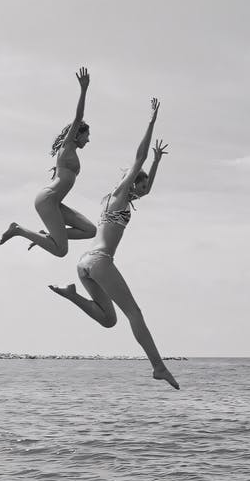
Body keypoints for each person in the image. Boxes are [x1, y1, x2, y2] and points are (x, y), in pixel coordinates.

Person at [50, 98, 179, 390]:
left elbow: (146, 186)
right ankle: (158, 367)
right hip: (100, 261)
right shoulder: (120, 195)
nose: (142, 192)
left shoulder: (117, 201)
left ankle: (71, 295)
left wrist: (158, 163)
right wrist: (151, 122)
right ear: (132, 182)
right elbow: (139, 158)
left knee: (109, 320)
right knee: (135, 313)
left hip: (85, 263)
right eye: (140, 185)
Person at [0, 68, 96, 257]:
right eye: (87, 136)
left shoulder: (71, 151)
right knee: (61, 251)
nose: (88, 140)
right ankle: (18, 230)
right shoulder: (67, 146)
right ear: (77, 134)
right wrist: (84, 90)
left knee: (90, 230)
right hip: (48, 200)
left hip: (55, 202)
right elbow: (78, 117)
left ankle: (47, 236)